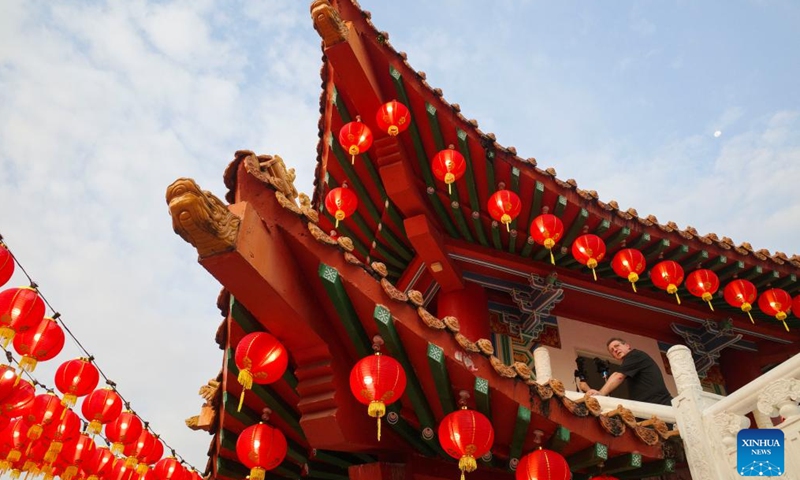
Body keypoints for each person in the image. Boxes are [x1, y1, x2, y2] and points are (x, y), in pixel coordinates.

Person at [579, 337, 673, 406]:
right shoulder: (630, 363)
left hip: (660, 404)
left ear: (627, 346)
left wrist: (601, 393)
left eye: (617, 346)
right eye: (612, 350)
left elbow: (618, 376)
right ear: (614, 357)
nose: (615, 350)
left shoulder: (635, 355)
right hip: (651, 406)